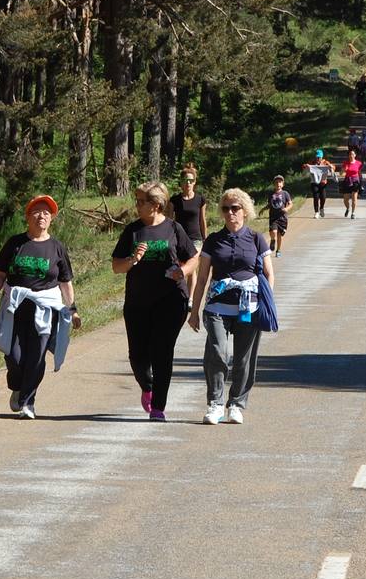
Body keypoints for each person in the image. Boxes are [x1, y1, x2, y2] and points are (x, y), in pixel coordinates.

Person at [0, 195, 79, 420]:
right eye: (36, 211)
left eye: (46, 212)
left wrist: (72, 308)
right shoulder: (16, 243)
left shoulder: (57, 248)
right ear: (28, 217)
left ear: (52, 218)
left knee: (36, 356)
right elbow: (0, 275)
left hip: (46, 309)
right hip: (15, 308)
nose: (41, 215)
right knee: (13, 355)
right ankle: (17, 384)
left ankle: (28, 402)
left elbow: (65, 281)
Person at [111, 182, 197, 422]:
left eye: (141, 201)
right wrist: (132, 259)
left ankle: (159, 406)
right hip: (138, 302)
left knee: (162, 351)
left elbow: (193, 257)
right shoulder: (132, 230)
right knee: (137, 356)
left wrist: (183, 272)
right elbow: (116, 266)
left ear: (156, 205)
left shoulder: (174, 228)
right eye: (137, 201)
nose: (137, 206)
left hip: (171, 300)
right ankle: (147, 387)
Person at [187, 188, 274, 426]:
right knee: (218, 352)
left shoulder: (256, 238)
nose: (230, 213)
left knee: (244, 359)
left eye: (235, 208)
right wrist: (194, 311)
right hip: (217, 306)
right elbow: (202, 277)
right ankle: (215, 403)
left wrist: (266, 303)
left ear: (245, 211)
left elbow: (268, 273)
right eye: (225, 208)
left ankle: (236, 404)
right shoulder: (213, 240)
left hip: (249, 308)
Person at [171, 166, 207, 252]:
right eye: (185, 180)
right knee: (180, 264)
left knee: (192, 262)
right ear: (181, 181)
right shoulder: (174, 200)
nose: (188, 183)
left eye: (191, 181)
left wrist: (205, 239)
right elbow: (169, 221)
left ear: (194, 182)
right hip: (179, 238)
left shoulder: (200, 199)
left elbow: (202, 220)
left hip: (196, 239)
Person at [302, 150, 335, 219]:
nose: (318, 159)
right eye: (317, 157)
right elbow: (304, 167)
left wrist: (330, 166)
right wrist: (306, 166)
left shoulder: (325, 162)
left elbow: (333, 167)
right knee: (316, 197)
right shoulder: (312, 162)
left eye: (319, 157)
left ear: (321, 157)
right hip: (314, 182)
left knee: (323, 197)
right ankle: (316, 212)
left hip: (323, 182)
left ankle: (321, 208)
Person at [267, 176, 292, 257]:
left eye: (280, 182)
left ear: (283, 184)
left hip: (282, 218)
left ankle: (278, 250)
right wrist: (263, 208)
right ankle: (272, 240)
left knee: (279, 235)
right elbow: (269, 204)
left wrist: (287, 208)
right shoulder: (271, 194)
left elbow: (291, 204)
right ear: (274, 184)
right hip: (273, 217)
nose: (278, 184)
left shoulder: (285, 193)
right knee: (273, 232)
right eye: (276, 182)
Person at [340, 149, 363, 219]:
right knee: (345, 199)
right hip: (347, 181)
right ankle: (348, 208)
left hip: (355, 181)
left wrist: (361, 183)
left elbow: (360, 173)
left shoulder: (359, 163)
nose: (351, 156)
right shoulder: (345, 163)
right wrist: (344, 170)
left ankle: (353, 213)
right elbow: (341, 174)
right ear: (348, 155)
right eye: (350, 154)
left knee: (354, 199)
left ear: (355, 155)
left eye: (353, 154)